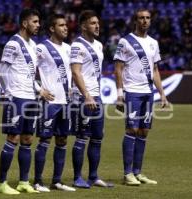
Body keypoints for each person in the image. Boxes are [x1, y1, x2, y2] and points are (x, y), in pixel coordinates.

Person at [113, 8, 168, 186]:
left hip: (147, 93)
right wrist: (120, 95)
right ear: (135, 21)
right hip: (132, 92)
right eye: (141, 18)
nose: (144, 21)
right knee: (132, 130)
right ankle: (127, 173)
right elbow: (118, 69)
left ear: (150, 21)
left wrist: (162, 95)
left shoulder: (153, 42)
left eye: (147, 18)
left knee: (144, 131)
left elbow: (155, 70)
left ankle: (138, 172)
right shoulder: (125, 41)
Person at [0, 8, 47, 194]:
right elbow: (2, 70)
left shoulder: (33, 46)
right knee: (13, 138)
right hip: (16, 98)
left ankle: (24, 182)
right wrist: (8, 93)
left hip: (31, 98)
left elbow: (29, 74)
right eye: (35, 22)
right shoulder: (13, 44)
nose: (38, 25)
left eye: (38, 22)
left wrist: (39, 89)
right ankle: (2, 182)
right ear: (25, 23)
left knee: (27, 139)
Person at [70, 10, 114, 189]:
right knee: (82, 137)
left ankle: (94, 176)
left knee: (97, 137)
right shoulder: (77, 46)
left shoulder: (99, 45)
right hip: (83, 97)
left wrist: (95, 95)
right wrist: (87, 95)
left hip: (97, 96)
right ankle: (77, 177)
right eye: (92, 23)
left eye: (97, 23)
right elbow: (75, 71)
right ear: (83, 26)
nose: (97, 26)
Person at [33, 14, 76, 192]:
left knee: (62, 139)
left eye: (66, 25)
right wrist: (39, 89)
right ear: (52, 28)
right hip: (49, 102)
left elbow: (71, 72)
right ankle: (37, 181)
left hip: (65, 101)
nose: (65, 28)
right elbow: (29, 70)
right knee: (45, 139)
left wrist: (72, 87)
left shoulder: (69, 48)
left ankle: (57, 181)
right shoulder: (41, 48)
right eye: (61, 25)